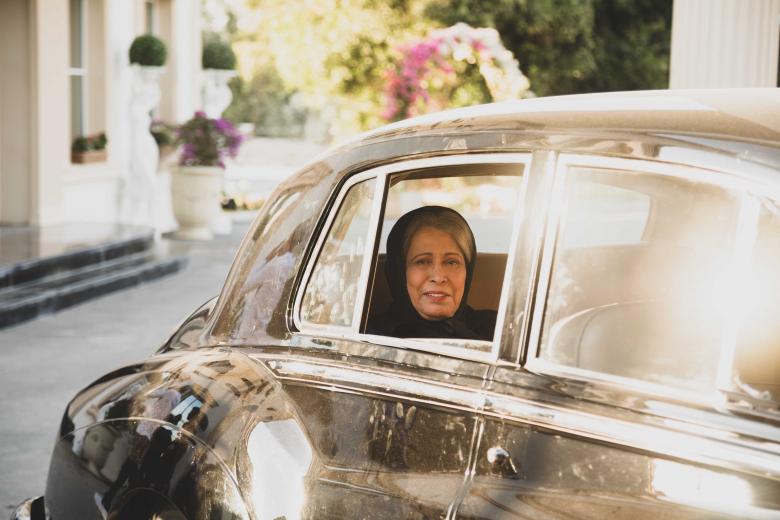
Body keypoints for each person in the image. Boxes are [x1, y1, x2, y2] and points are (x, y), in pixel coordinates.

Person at [367, 205, 496, 340]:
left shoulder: (498, 331)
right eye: (422, 262)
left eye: (451, 262)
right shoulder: (371, 339)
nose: (438, 277)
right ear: (398, 272)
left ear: (467, 271)